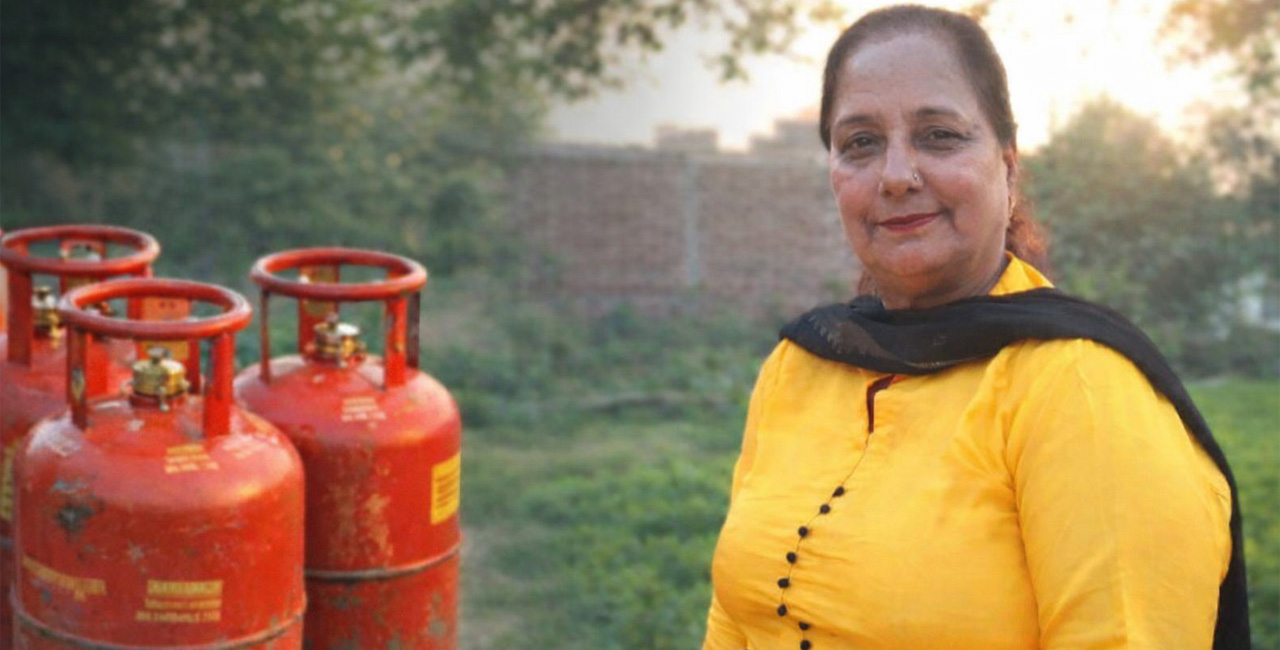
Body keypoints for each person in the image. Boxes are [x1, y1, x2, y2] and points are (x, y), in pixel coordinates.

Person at [702, 5, 1249, 650]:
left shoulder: (1077, 387)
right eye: (860, 143)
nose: (896, 176)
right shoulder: (799, 367)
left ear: (1008, 168)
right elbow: (733, 622)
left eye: (938, 135)